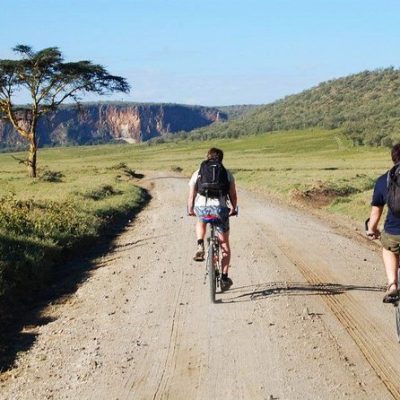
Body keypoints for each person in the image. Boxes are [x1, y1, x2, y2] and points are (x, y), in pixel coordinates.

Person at [187, 147, 238, 290]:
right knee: (225, 245)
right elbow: (233, 195)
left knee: (201, 220)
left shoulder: (198, 172)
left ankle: (200, 245)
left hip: (202, 208)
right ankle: (224, 278)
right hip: (220, 210)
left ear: (207, 157)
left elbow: (191, 195)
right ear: (221, 159)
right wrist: (233, 208)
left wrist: (191, 209)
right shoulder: (226, 173)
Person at [367, 143, 400, 303]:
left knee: (388, 248)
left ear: (393, 159)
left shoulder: (384, 180)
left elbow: (375, 213)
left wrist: (371, 229)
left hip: (393, 233)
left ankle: (392, 285)